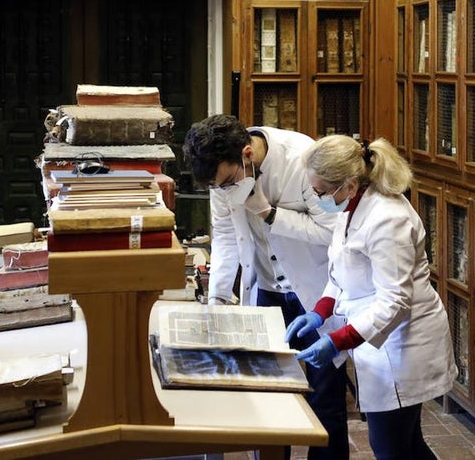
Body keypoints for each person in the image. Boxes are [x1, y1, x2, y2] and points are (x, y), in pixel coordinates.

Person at [182, 114, 351, 459]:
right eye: (218, 186)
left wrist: (270, 214)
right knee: (269, 397)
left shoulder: (302, 157)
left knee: (324, 399)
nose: (225, 190)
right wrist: (217, 298)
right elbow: (227, 237)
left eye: (228, 182)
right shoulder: (222, 177)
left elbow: (331, 231)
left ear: (246, 154)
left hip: (314, 293)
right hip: (266, 290)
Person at [287, 135, 456, 460]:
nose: (318, 197)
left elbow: (394, 301)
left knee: (390, 447)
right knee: (405, 445)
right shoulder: (351, 205)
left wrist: (338, 340)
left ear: (348, 184)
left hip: (404, 345)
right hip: (380, 341)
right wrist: (321, 312)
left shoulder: (388, 219)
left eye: (321, 191)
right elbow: (341, 269)